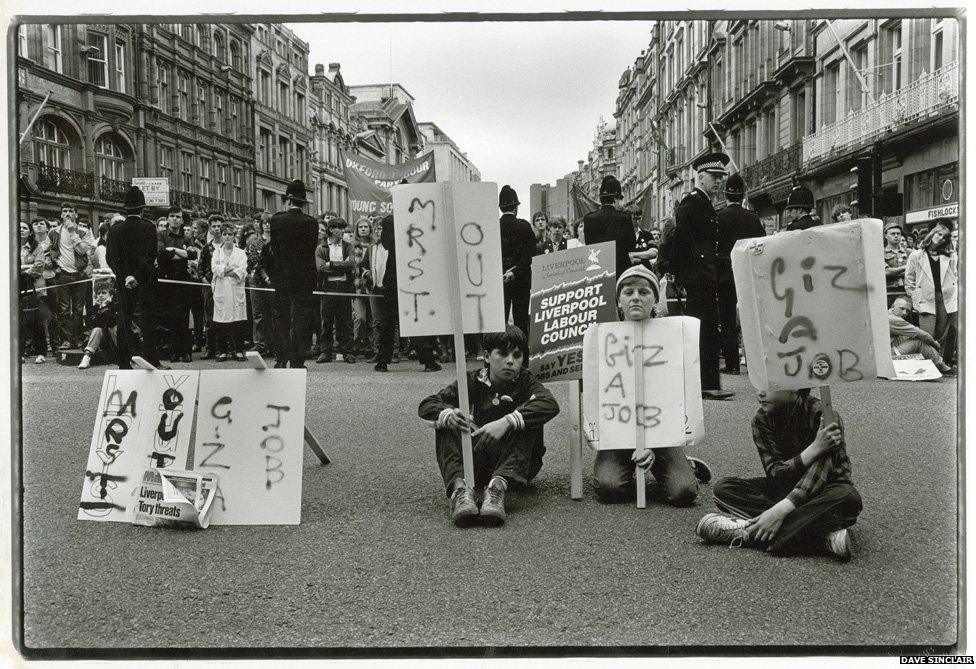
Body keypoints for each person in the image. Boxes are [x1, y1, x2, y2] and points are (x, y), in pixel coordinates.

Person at [695, 387, 862, 562]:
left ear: (794, 387)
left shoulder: (825, 417)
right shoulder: (761, 419)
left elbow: (820, 474)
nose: (760, 393)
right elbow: (775, 474)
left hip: (825, 494)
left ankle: (746, 532)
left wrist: (780, 510)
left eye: (769, 387)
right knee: (724, 489)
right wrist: (813, 449)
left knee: (848, 497)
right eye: (758, 385)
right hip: (788, 493)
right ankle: (821, 538)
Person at [590, 265, 709, 505]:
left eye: (644, 292)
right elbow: (598, 400)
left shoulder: (673, 338)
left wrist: (653, 444)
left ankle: (687, 467)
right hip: (617, 431)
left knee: (684, 492)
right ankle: (627, 466)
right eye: (628, 292)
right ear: (618, 300)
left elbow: (678, 398)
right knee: (610, 489)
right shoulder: (602, 339)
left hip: (662, 432)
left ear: (655, 299)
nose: (635, 297)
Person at [418, 325, 559, 527]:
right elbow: (428, 403)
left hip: (519, 465)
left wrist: (507, 421)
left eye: (517, 356)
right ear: (486, 356)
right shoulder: (473, 380)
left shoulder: (526, 381)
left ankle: (497, 489)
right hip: (476, 462)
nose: (510, 361)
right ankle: (460, 491)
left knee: (527, 418)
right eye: (502, 353)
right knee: (447, 420)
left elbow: (550, 404)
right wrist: (448, 414)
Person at [658, 152, 733, 401]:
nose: (720, 181)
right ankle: (704, 383)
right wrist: (677, 272)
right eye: (714, 176)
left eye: (722, 176)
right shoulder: (693, 203)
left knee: (706, 329)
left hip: (702, 274)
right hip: (697, 276)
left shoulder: (702, 202)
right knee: (703, 330)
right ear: (700, 177)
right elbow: (681, 240)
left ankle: (706, 382)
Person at [106, 186, 169, 370]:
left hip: (123, 282)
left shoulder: (115, 230)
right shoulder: (148, 227)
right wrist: (136, 276)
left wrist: (124, 276)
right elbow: (150, 257)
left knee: (124, 319)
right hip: (145, 281)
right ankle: (151, 360)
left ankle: (123, 363)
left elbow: (111, 258)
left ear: (126, 209)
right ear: (142, 209)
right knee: (148, 319)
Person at [716, 173, 765, 375]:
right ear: (743, 196)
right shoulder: (753, 219)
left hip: (725, 276)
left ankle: (733, 363)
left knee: (727, 319)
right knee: (751, 318)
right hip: (748, 274)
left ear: (726, 196)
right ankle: (755, 362)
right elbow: (762, 247)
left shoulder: (718, 218)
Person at [268, 179, 319, 369]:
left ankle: (281, 358)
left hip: (282, 275)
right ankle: (297, 360)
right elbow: (311, 248)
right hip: (304, 277)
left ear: (288, 200)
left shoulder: (277, 220)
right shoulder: (311, 223)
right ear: (302, 203)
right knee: (301, 317)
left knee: (281, 316)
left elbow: (274, 248)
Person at [904, 221, 958, 363]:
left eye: (944, 237)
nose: (940, 238)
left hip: (945, 297)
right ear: (932, 233)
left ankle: (939, 362)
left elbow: (955, 276)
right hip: (925, 297)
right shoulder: (916, 255)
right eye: (938, 234)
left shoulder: (950, 256)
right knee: (927, 333)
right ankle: (929, 362)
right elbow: (909, 279)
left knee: (942, 333)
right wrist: (915, 295)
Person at [47, 202, 95, 350]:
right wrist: (54, 268)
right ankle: (67, 339)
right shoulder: (53, 232)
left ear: (75, 215)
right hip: (63, 275)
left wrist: (73, 233)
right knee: (64, 308)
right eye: (65, 211)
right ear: (61, 214)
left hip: (80, 274)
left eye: (71, 211)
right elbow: (47, 252)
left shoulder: (83, 232)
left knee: (79, 309)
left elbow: (82, 251)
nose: (67, 214)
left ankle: (78, 338)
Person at [157, 206, 197, 363]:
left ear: (182, 220)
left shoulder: (186, 238)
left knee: (183, 316)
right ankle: (174, 351)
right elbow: (161, 255)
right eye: (172, 216)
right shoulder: (160, 234)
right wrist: (182, 253)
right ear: (167, 219)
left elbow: (193, 254)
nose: (175, 219)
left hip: (183, 279)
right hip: (167, 280)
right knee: (171, 316)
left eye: (178, 217)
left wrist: (172, 249)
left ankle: (186, 352)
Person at [315, 217, 357, 364]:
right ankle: (325, 351)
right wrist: (341, 266)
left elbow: (351, 263)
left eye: (343, 228)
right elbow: (321, 268)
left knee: (345, 321)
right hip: (327, 288)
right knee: (326, 321)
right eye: (339, 228)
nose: (342, 231)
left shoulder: (348, 246)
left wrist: (331, 264)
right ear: (331, 229)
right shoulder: (322, 248)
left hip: (345, 287)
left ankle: (348, 351)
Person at [498, 185, 535, 342]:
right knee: (520, 318)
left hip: (499, 279)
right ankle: (523, 357)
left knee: (500, 319)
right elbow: (530, 256)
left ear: (500, 207)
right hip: (521, 278)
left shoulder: (493, 226)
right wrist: (515, 271)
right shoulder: (524, 226)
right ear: (516, 207)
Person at [581, 175, 636, 278]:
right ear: (615, 198)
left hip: (599, 271)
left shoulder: (589, 218)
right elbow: (631, 245)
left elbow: (589, 245)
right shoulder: (624, 218)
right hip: (621, 270)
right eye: (619, 198)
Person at [888, 295, 955, 376]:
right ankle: (941, 365)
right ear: (893, 307)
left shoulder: (885, 315)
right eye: (902, 308)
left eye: (907, 311)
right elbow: (923, 335)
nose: (904, 313)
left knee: (909, 336)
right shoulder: (893, 320)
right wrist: (934, 344)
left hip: (884, 353)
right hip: (888, 356)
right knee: (919, 342)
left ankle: (936, 364)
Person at [210, 224, 248, 362]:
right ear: (222, 235)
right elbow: (215, 269)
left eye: (230, 234)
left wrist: (224, 270)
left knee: (237, 321)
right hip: (221, 290)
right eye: (224, 234)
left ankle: (238, 350)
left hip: (236, 289)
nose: (227, 237)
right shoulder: (216, 253)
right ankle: (223, 351)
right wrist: (230, 268)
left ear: (234, 236)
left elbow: (242, 271)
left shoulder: (241, 253)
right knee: (221, 321)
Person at [365, 215, 398, 372]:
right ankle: (383, 357)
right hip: (377, 289)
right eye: (376, 229)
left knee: (392, 324)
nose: (378, 232)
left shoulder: (391, 247)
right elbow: (366, 266)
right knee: (381, 324)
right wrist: (367, 274)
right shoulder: (371, 248)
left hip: (391, 289)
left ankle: (394, 354)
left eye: (381, 229)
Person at [19, 220, 51, 364]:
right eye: (19, 227)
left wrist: (21, 270)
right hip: (15, 287)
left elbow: (39, 266)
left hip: (34, 286)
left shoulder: (36, 247)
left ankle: (41, 353)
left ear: (30, 232)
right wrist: (25, 268)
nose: (21, 229)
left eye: (24, 228)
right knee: (17, 320)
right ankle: (19, 353)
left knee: (37, 318)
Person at [247, 213, 275, 357]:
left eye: (270, 222)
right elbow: (252, 261)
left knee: (273, 313)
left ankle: (274, 344)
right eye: (265, 222)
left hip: (273, 282)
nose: (267, 225)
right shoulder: (255, 242)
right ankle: (260, 343)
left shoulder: (278, 242)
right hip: (257, 281)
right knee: (258, 313)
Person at [78, 284, 120, 370]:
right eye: (98, 293)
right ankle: (86, 357)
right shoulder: (94, 308)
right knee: (97, 329)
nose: (100, 295)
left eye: (104, 293)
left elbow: (112, 322)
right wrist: (99, 309)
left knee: (115, 328)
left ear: (111, 295)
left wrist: (104, 307)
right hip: (101, 343)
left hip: (115, 340)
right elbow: (94, 325)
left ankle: (123, 355)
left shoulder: (116, 306)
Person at [350, 217, 375, 357]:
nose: (364, 229)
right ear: (357, 230)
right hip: (358, 287)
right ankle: (355, 345)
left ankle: (370, 347)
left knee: (372, 319)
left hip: (372, 286)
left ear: (370, 229)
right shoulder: (352, 246)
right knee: (360, 318)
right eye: (361, 227)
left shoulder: (376, 244)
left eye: (366, 226)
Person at [883, 221, 909, 302]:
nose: (896, 236)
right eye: (893, 234)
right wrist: (905, 268)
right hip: (888, 291)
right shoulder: (880, 253)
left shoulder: (909, 252)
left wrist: (893, 272)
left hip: (906, 290)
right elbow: (885, 272)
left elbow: (914, 271)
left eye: (898, 233)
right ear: (886, 236)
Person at [626, 205, 657, 271]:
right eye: (634, 219)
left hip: (646, 271)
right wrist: (644, 257)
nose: (637, 222)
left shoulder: (647, 234)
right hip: (628, 272)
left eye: (639, 218)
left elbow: (653, 253)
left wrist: (632, 254)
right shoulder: (623, 235)